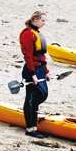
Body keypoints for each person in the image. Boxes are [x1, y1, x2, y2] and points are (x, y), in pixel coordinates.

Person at [19, 10, 49, 138]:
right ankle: (30, 128)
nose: (44, 23)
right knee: (31, 99)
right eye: (42, 20)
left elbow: (41, 56)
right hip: (32, 70)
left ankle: (33, 126)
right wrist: (32, 74)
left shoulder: (36, 32)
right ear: (35, 19)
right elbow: (28, 55)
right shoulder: (27, 34)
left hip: (40, 69)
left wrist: (46, 71)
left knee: (42, 95)